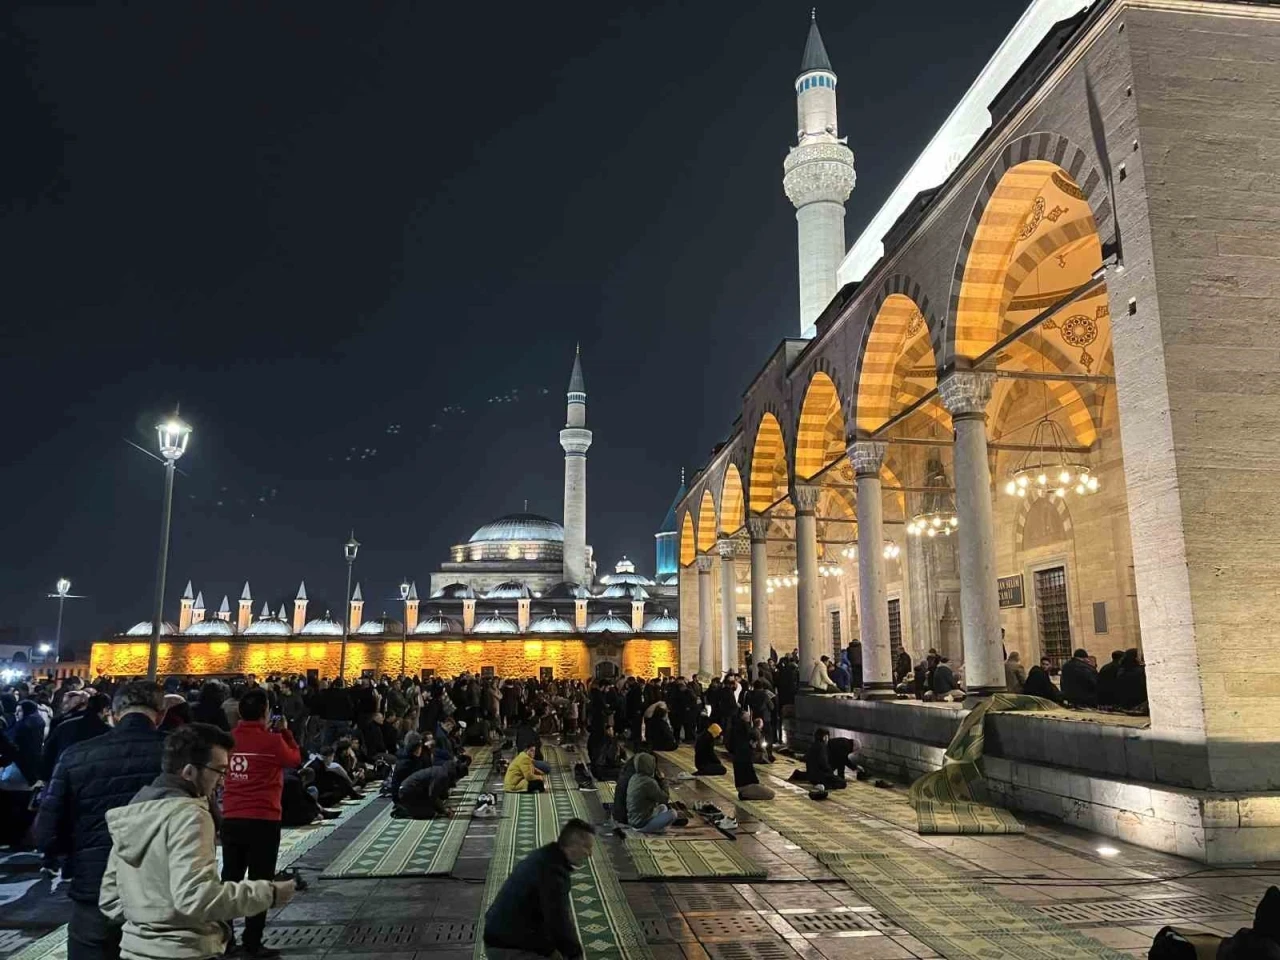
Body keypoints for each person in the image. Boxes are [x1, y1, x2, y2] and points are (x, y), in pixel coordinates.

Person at [100, 723, 296, 960]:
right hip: (184, 951)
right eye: (219, 771)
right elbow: (197, 897)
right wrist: (269, 893)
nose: (223, 781)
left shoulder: (135, 811)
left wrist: (150, 921)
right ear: (189, 772)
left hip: (136, 951)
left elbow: (110, 899)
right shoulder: (189, 815)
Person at [35, 681, 168, 960]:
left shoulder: (76, 756)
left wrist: (76, 854)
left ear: (114, 714)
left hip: (93, 888)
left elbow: (46, 832)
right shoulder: (177, 756)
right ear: (161, 714)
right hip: (161, 891)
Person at [221, 689, 301, 958]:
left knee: (230, 879)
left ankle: (224, 940)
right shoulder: (273, 741)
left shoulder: (228, 740)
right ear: (265, 711)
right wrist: (285, 732)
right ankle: (252, 942)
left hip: (232, 817)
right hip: (263, 819)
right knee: (260, 881)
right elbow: (294, 759)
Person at [482, 818, 594, 960]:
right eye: (586, 847)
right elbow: (558, 921)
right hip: (506, 947)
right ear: (572, 845)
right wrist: (575, 954)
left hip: (507, 936)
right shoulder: (552, 872)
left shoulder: (547, 856)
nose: (589, 853)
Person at [626, 753, 681, 834]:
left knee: (662, 807)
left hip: (633, 821)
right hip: (641, 824)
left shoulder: (634, 777)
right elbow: (664, 798)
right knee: (673, 813)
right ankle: (656, 829)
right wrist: (663, 780)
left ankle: (657, 826)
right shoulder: (649, 782)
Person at [730, 715, 773, 801]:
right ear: (751, 741)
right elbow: (750, 772)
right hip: (746, 785)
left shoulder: (741, 749)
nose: (756, 745)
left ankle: (748, 792)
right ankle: (745, 794)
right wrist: (756, 784)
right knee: (771, 794)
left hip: (742, 784)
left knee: (764, 789)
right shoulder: (746, 752)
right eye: (755, 743)